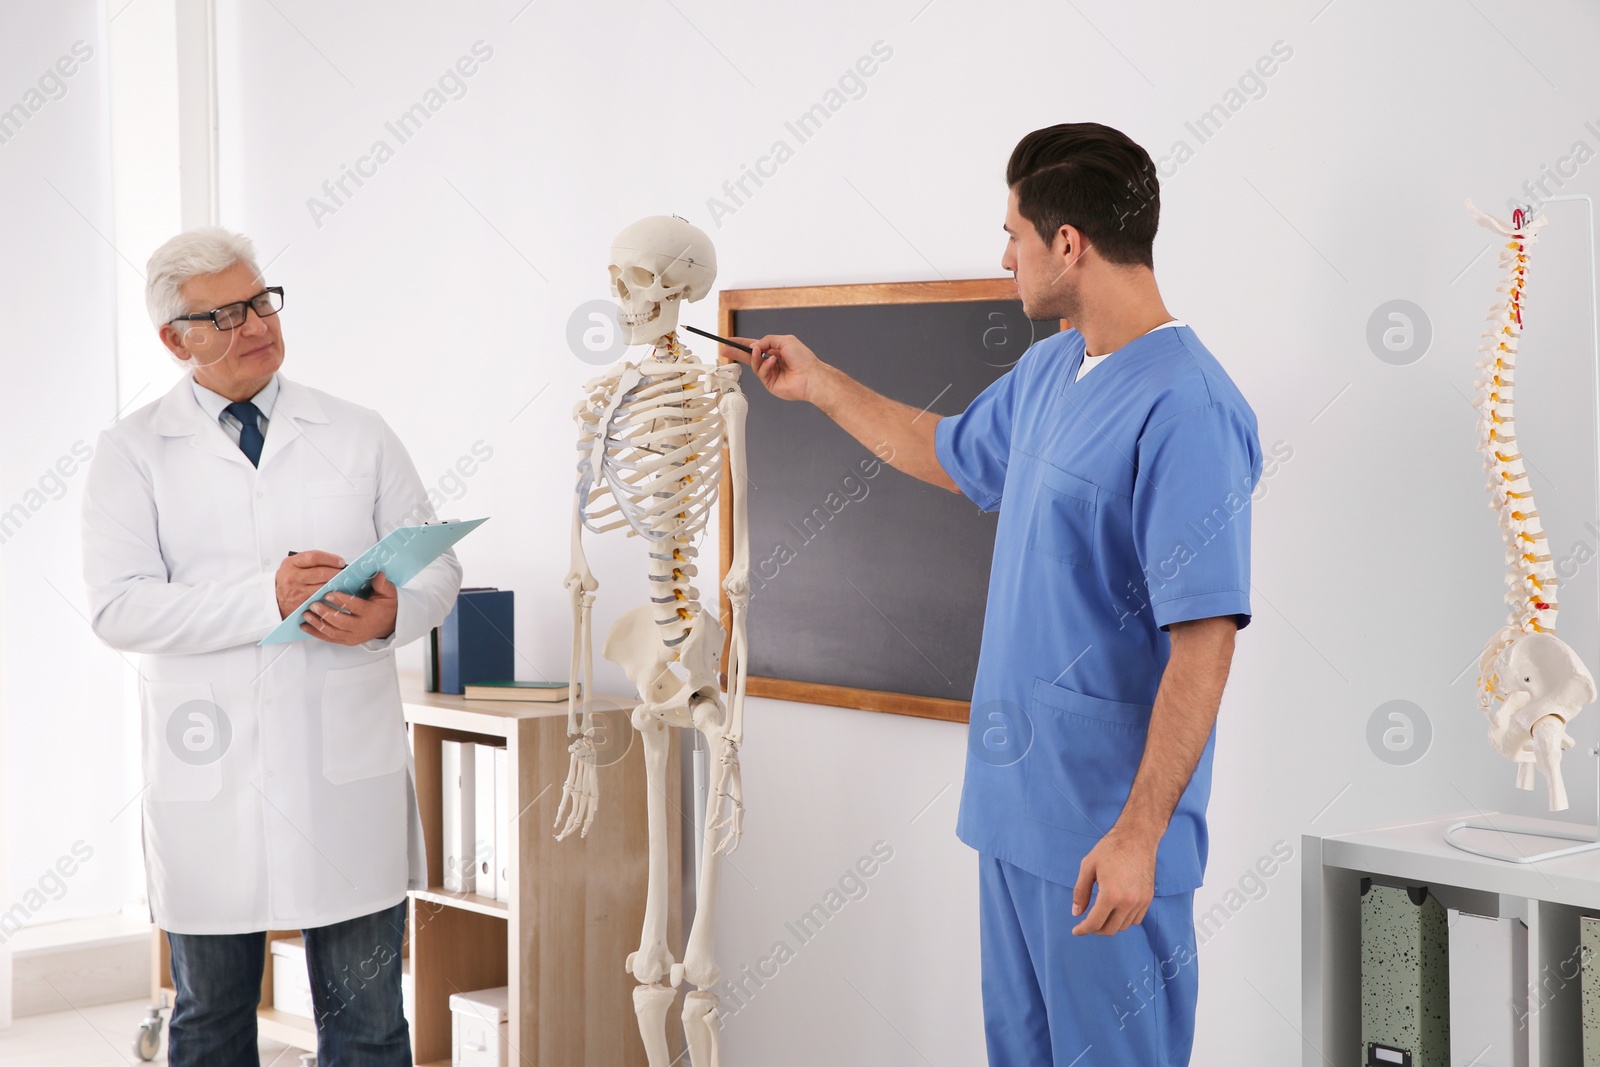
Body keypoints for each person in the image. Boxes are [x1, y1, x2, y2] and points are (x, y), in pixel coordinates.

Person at [724, 122, 1259, 1065]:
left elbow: (1205, 638)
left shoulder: (1189, 409)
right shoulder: (1052, 366)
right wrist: (818, 385)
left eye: (1012, 232)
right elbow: (946, 450)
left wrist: (1140, 834)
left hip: (1106, 841)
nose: (1001, 253)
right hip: (1015, 814)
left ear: (1068, 245)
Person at [81, 228, 462, 1066]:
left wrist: (391, 612)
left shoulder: (358, 431)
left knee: (368, 1021)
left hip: (342, 774)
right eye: (223, 314)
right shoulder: (133, 451)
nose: (254, 323)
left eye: (260, 300)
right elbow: (119, 608)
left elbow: (438, 565)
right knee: (213, 1019)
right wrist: (267, 597)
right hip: (208, 776)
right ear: (174, 340)